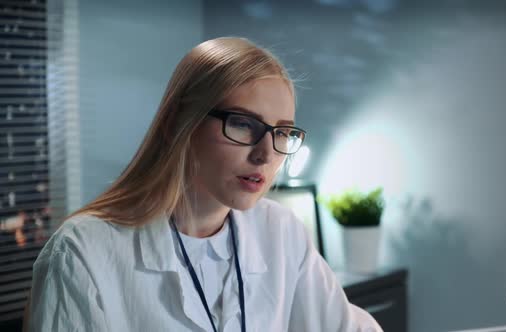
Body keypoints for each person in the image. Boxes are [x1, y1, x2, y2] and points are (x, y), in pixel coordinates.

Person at [26, 37, 383, 332]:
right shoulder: (82, 252)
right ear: (179, 123)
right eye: (243, 124)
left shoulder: (281, 230)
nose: (265, 154)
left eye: (282, 132)